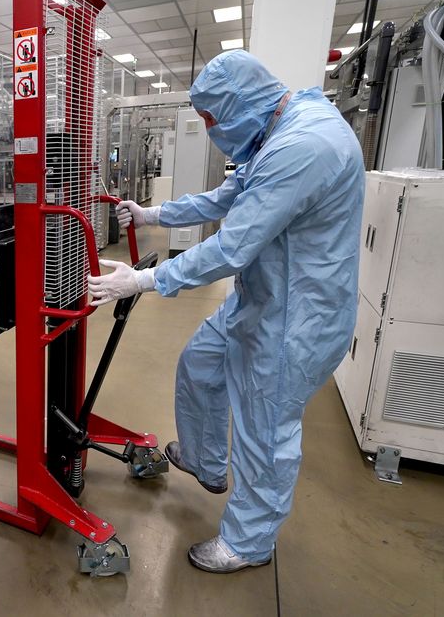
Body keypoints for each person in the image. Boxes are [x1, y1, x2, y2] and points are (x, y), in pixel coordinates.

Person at [88, 50, 364, 574]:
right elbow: (226, 196)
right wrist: (153, 213)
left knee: (264, 432)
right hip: (261, 297)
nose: (211, 130)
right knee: (200, 364)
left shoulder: (303, 146)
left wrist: (143, 280)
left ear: (239, 106)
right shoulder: (274, 134)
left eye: (213, 120)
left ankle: (249, 542)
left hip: (296, 319)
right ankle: (204, 459)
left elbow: (230, 248)